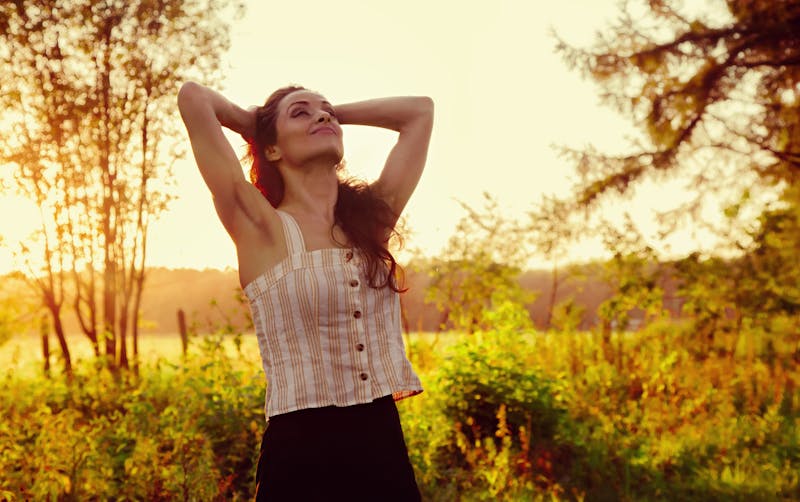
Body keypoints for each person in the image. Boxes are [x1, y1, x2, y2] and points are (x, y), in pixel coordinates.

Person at [177, 81, 433, 501]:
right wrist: (256, 126)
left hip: (383, 445)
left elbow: (419, 112)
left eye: (326, 110)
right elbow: (194, 98)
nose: (322, 115)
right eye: (301, 112)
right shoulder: (260, 228)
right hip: (301, 455)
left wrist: (328, 117)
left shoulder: (370, 223)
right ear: (272, 150)